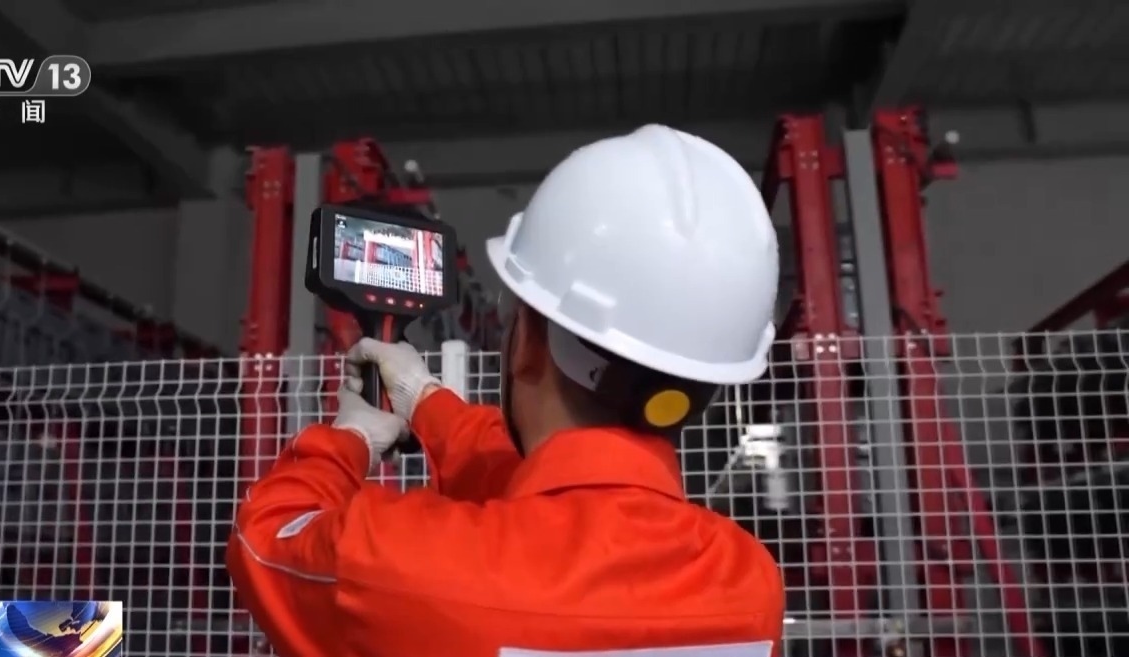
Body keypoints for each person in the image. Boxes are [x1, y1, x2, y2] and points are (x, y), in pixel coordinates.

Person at [227, 124, 784, 657]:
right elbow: (568, 498)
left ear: (527, 347)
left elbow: (269, 535)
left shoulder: (402, 570)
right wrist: (423, 398)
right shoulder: (748, 582)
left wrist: (349, 439)